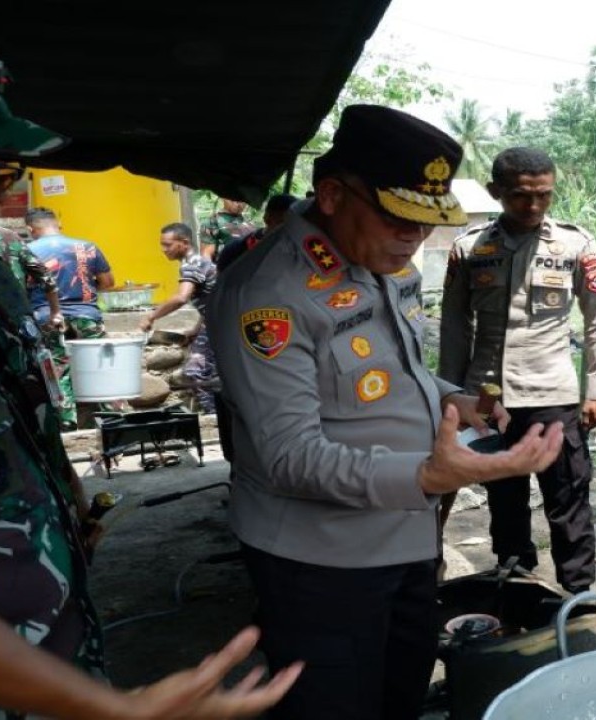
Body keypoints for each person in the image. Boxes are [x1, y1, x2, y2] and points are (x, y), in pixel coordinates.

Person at [0, 35, 298, 720]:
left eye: (7, 176)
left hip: (45, 656)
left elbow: (13, 416)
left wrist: (61, 498)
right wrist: (106, 708)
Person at [207, 105, 564, 720]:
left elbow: (393, 371)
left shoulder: (381, 262)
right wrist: (428, 477)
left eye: (426, 224)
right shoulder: (269, 293)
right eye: (399, 218)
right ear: (332, 194)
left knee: (399, 695)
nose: (413, 238)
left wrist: (449, 394)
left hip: (407, 538)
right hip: (321, 562)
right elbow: (289, 456)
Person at [438, 146, 596, 595]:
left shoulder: (576, 244)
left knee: (568, 499)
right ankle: (517, 583)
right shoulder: (470, 248)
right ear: (496, 191)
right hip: (487, 399)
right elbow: (455, 327)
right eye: (521, 196)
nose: (534, 206)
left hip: (551, 396)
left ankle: (580, 595)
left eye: (544, 195)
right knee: (504, 498)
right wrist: (448, 393)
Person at [25, 206, 114, 430]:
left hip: (47, 317)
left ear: (30, 229)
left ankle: (67, 423)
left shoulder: (26, 250)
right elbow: (107, 282)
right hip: (87, 315)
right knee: (99, 366)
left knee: (57, 370)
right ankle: (112, 418)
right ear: (59, 225)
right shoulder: (87, 246)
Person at [139, 222, 218, 413]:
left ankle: (213, 415)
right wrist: (198, 327)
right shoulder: (198, 262)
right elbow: (213, 299)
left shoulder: (192, 264)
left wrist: (151, 316)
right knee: (216, 371)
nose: (163, 250)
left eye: (167, 245)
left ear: (184, 242)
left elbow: (181, 297)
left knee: (195, 371)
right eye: (162, 245)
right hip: (217, 322)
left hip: (221, 325)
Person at [216, 192, 296, 271]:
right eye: (282, 223)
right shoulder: (236, 250)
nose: (291, 229)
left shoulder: (296, 255)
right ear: (267, 218)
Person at [199, 196, 256, 263]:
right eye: (233, 198)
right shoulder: (213, 223)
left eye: (242, 199)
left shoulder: (250, 225)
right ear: (223, 197)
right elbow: (206, 255)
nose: (238, 203)